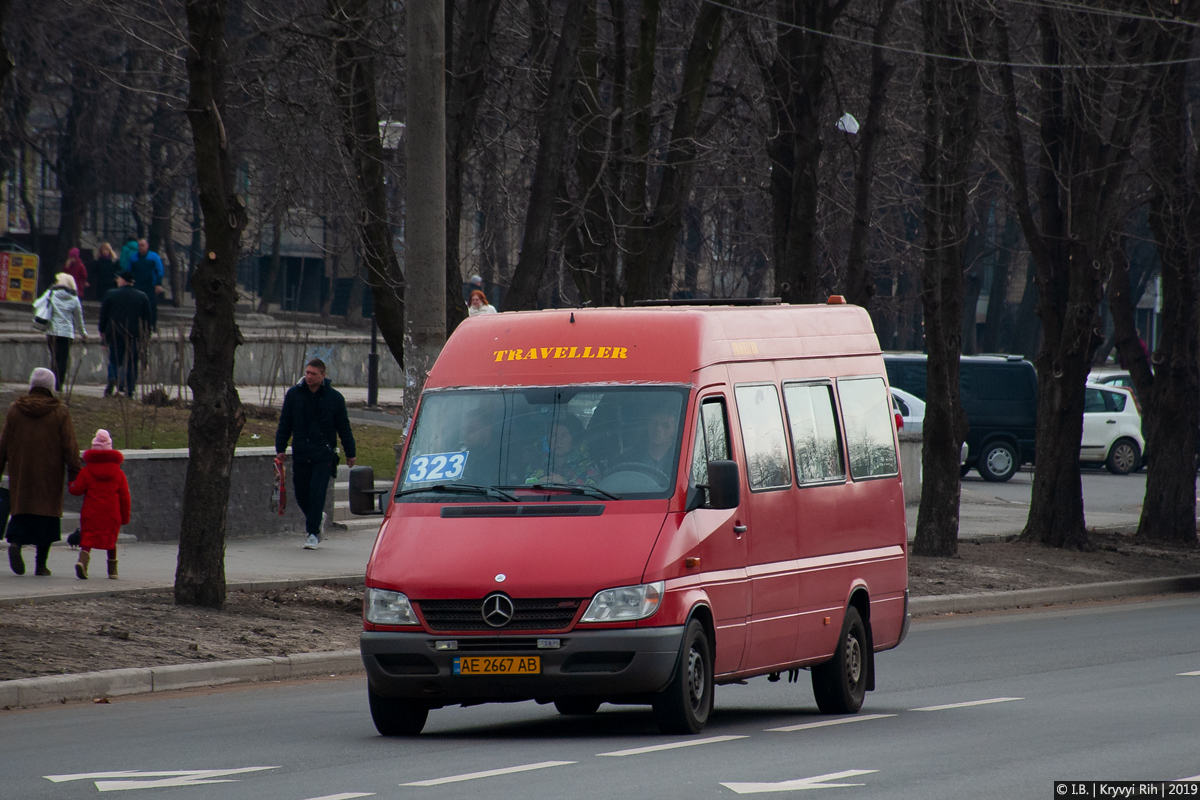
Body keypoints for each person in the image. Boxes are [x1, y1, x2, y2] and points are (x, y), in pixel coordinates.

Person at [0, 368, 83, 576]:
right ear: (51, 387)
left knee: (21, 512)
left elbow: (3, 444)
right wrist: (75, 470)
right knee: (46, 519)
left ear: (31, 385)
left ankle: (17, 543)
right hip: (49, 475)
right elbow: (69, 446)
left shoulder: (15, 410)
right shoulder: (60, 412)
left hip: (22, 473)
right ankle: (40, 565)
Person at [274, 359, 356, 550]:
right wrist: (281, 447)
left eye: (313, 374)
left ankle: (312, 533)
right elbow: (285, 422)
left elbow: (344, 427)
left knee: (317, 493)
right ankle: (317, 517)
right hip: (301, 452)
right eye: (307, 373)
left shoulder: (334, 398)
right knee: (301, 493)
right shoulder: (294, 395)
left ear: (323, 376)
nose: (309, 377)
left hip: (324, 454)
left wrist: (350, 452)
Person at [68, 429, 130, 580]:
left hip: (92, 511)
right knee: (111, 540)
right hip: (111, 513)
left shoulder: (87, 471)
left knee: (88, 538)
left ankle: (82, 562)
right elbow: (124, 496)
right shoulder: (119, 473)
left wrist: (71, 482)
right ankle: (113, 571)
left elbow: (76, 490)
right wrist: (125, 516)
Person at [99, 270, 152, 398]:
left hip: (115, 332)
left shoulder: (111, 294)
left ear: (123, 280)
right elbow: (147, 319)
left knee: (114, 360)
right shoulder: (142, 296)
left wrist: (103, 331)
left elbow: (104, 315)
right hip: (135, 334)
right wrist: (146, 335)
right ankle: (130, 389)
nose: (117, 281)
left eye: (118, 279)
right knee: (132, 362)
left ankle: (113, 377)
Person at [35, 273, 87, 392]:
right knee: (63, 359)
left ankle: (51, 384)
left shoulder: (51, 293)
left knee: (54, 358)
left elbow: (37, 304)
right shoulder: (74, 298)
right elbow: (79, 319)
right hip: (67, 333)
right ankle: (59, 386)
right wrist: (83, 334)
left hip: (52, 332)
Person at [525, 417, 597, 485]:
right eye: (553, 435)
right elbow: (520, 492)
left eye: (564, 435)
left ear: (574, 439)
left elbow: (595, 496)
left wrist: (566, 486)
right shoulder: (536, 464)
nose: (558, 441)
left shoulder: (588, 467)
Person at [128, 239, 165, 331]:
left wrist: (158, 283)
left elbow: (159, 270)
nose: (141, 247)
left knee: (151, 305)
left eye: (142, 245)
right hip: (137, 285)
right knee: (137, 305)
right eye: (139, 245)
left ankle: (152, 324)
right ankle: (137, 324)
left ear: (147, 246)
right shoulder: (133, 258)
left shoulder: (153, 257)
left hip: (150, 285)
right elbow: (129, 271)